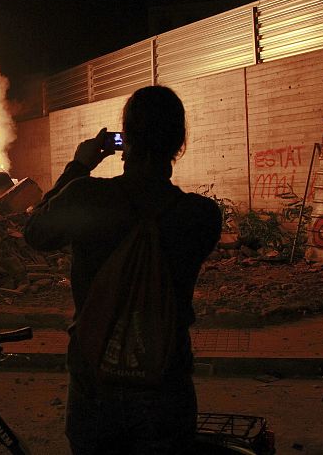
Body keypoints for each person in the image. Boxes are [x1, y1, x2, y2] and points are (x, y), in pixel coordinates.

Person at [23, 86, 221, 454]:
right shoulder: (201, 216)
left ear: (123, 140)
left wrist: (79, 167)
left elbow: (35, 233)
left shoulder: (87, 196)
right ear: (179, 143)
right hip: (166, 384)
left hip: (95, 384)